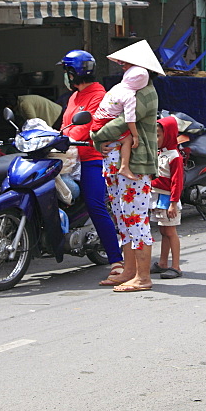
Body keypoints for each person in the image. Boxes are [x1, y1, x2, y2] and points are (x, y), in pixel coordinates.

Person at [91, 40, 162, 293]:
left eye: (127, 63)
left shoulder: (144, 93)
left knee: (135, 218)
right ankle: (130, 271)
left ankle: (143, 277)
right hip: (115, 160)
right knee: (122, 218)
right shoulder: (129, 89)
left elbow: (120, 123)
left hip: (135, 162)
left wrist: (95, 134)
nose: (123, 67)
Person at [56, 49, 124, 285]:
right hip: (68, 157)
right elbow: (65, 126)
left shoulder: (98, 94)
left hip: (90, 158)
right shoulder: (74, 96)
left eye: (66, 71)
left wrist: (63, 138)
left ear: (74, 73)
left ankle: (116, 261)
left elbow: (85, 128)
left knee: (96, 205)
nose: (65, 76)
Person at [90, 63, 149, 180]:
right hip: (106, 121)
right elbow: (130, 119)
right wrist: (135, 136)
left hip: (98, 118)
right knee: (127, 140)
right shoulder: (130, 96)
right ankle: (124, 167)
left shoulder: (117, 87)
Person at [150, 115, 185, 279]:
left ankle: (176, 266)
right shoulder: (159, 153)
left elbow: (177, 183)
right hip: (157, 197)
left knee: (170, 232)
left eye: (158, 135)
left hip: (167, 199)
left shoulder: (174, 156)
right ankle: (163, 263)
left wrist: (173, 203)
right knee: (163, 231)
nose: (155, 138)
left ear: (169, 135)